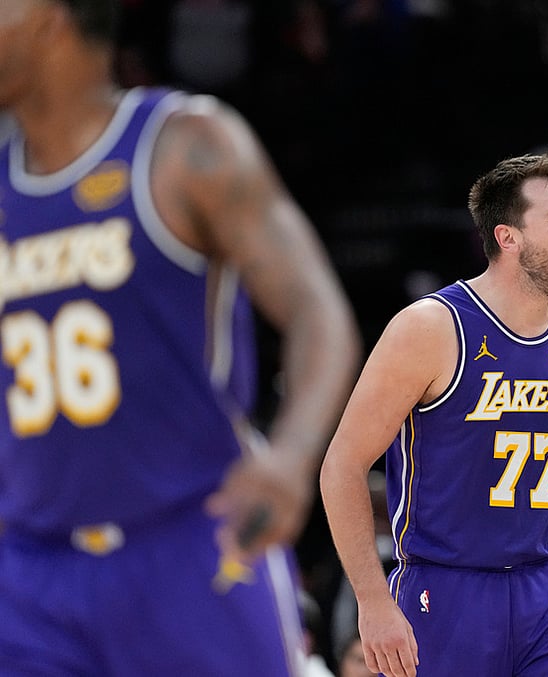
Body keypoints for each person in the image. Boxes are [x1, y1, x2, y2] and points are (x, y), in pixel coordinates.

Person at [0, 1, 362, 675]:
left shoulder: (184, 145)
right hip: (32, 567)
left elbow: (318, 310)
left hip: (189, 541)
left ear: (50, 18)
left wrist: (291, 457)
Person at [320, 151, 548, 677]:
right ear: (507, 237)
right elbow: (343, 466)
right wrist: (372, 602)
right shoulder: (430, 327)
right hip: (448, 587)